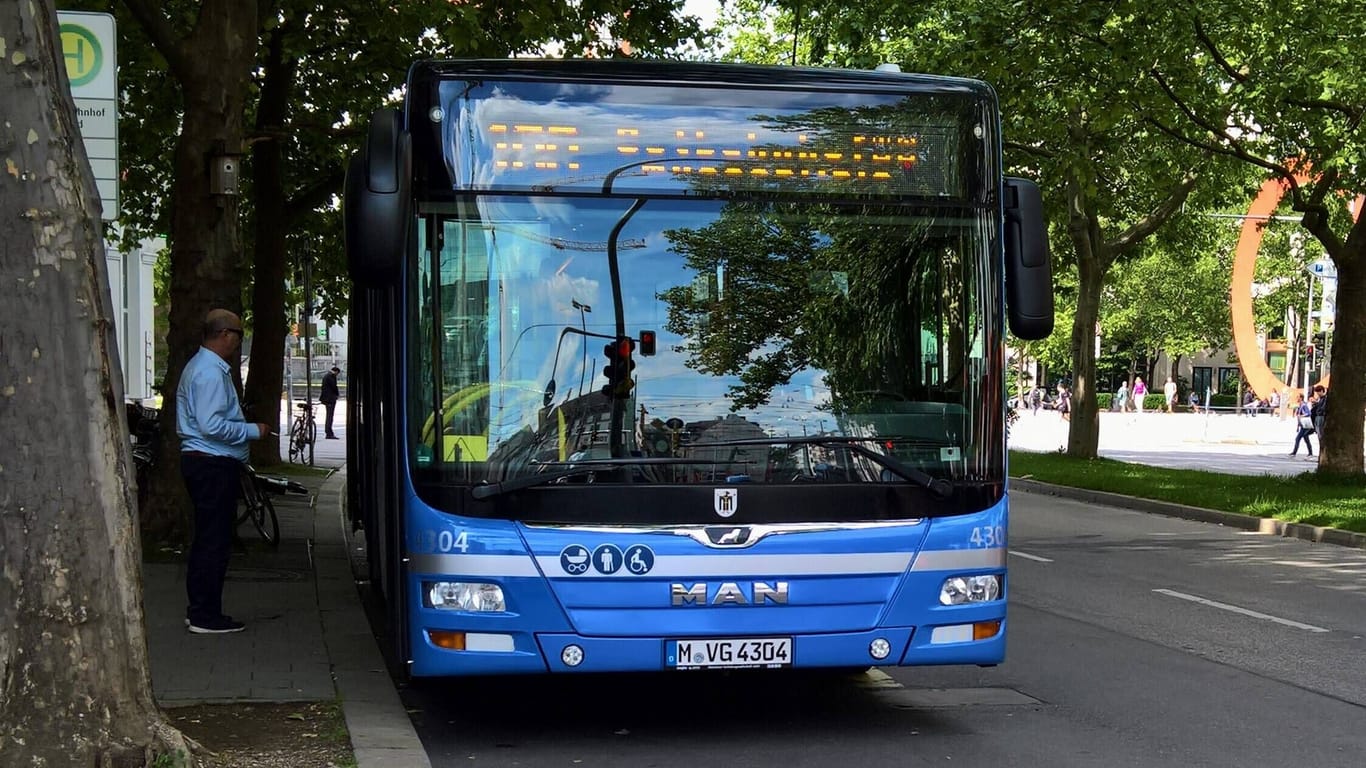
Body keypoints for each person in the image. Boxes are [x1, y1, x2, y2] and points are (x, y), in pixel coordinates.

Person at [177, 309, 271, 634]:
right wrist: (252, 432)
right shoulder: (209, 373)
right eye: (239, 334)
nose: (239, 342)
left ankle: (200, 609)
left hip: (205, 462)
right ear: (224, 335)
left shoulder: (202, 368)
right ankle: (205, 615)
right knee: (213, 541)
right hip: (211, 463)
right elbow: (210, 424)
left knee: (208, 538)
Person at [1288, 392, 1315, 458]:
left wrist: (1301, 415)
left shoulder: (1303, 405)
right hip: (1302, 425)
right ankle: (1310, 453)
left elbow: (1308, 413)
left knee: (1298, 438)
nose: (1296, 398)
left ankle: (1294, 452)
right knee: (1306, 439)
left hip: (1305, 425)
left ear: (1301, 398)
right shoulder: (1300, 405)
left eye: (1298, 397)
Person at [320, 365, 341, 439]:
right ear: (336, 372)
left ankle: (328, 432)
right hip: (330, 399)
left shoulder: (327, 376)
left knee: (329, 416)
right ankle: (329, 433)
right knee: (329, 416)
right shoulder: (331, 376)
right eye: (337, 374)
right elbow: (334, 387)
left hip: (327, 399)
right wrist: (337, 395)